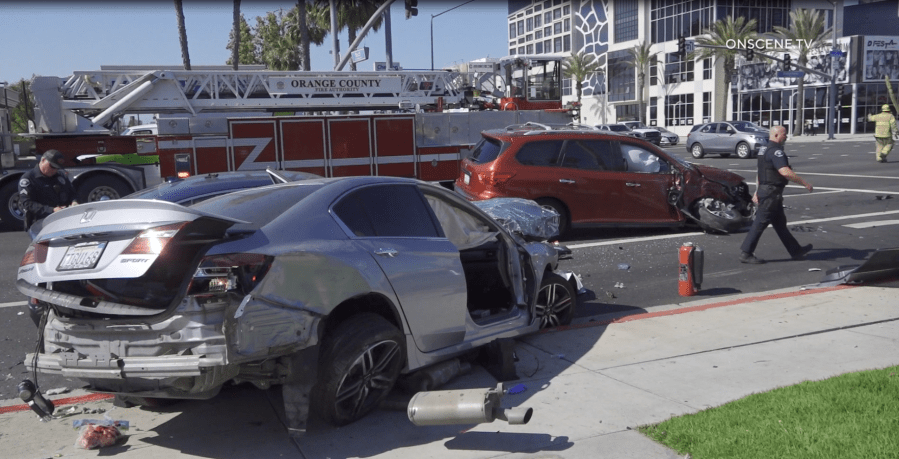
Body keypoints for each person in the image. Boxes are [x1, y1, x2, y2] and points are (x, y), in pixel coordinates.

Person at [739, 126, 814, 264]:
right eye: (784, 134)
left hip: (768, 192)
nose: (786, 137)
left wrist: (757, 191)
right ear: (777, 135)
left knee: (780, 224)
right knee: (760, 223)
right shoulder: (776, 151)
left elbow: (761, 173)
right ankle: (746, 253)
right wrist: (804, 183)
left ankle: (796, 250)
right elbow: (785, 171)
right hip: (771, 194)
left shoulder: (763, 150)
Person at [18, 150, 78, 231]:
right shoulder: (29, 178)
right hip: (40, 222)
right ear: (43, 160)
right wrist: (52, 210)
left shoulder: (60, 176)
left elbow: (71, 193)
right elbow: (27, 203)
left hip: (62, 219)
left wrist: (74, 202)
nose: (54, 170)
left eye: (57, 167)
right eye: (52, 166)